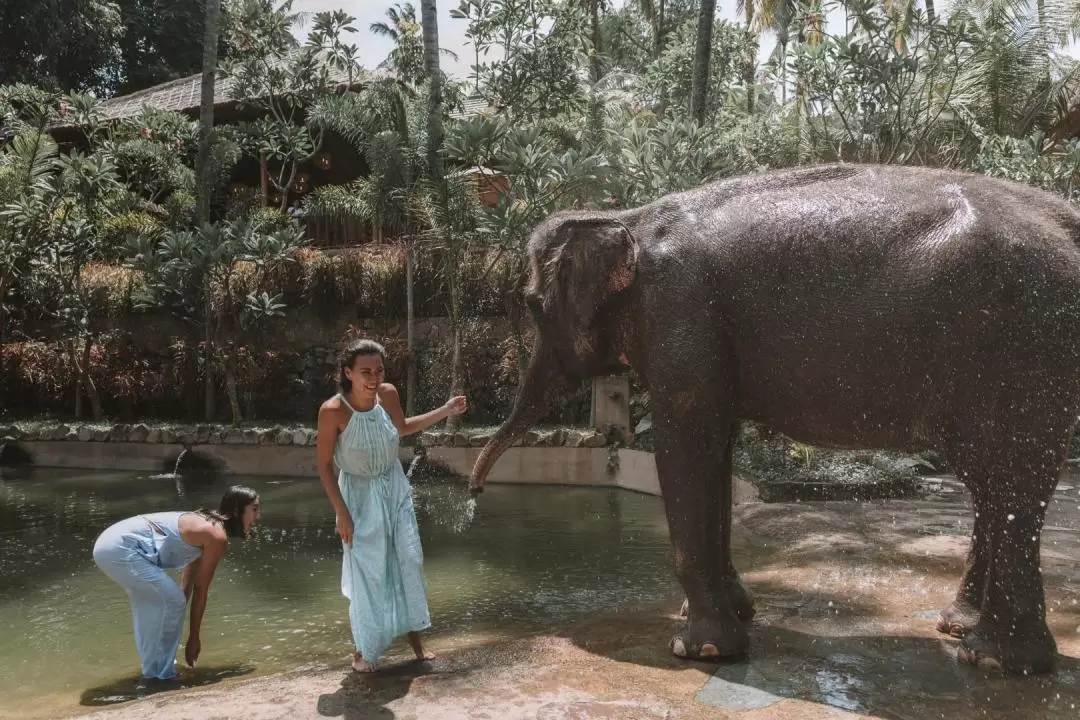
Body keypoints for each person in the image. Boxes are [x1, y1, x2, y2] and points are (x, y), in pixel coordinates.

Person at [317, 338, 467, 672]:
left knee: (408, 560)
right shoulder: (333, 411)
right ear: (348, 373)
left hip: (394, 488)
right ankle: (364, 650)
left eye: (379, 370)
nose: (373, 377)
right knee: (369, 572)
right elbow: (324, 465)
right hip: (357, 497)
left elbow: (403, 428)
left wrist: (445, 411)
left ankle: (416, 642)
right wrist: (341, 511)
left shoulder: (388, 394)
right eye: (365, 371)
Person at [92, 485, 261, 684]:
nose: (258, 516)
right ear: (236, 510)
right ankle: (163, 674)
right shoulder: (217, 536)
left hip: (109, 546)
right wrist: (194, 637)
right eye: (255, 509)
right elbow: (201, 590)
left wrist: (179, 615)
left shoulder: (207, 527)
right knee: (171, 601)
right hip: (119, 548)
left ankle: (153, 671)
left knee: (163, 603)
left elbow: (189, 582)